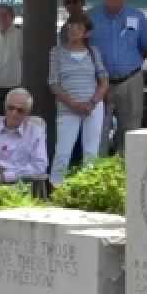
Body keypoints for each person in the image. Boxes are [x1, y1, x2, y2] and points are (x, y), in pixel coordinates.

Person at [88, 0, 147, 155]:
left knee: (130, 130)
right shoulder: (91, 17)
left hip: (130, 80)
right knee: (98, 129)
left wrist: (128, 65)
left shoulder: (137, 17)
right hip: (100, 83)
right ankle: (98, 172)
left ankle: (125, 174)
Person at [49, 16, 110, 185]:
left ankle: (87, 191)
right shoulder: (57, 52)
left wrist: (92, 103)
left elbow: (104, 81)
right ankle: (55, 191)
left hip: (93, 107)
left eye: (78, 26)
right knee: (62, 152)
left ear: (86, 32)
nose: (73, 29)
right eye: (71, 25)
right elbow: (53, 83)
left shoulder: (93, 52)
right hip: (68, 108)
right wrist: (74, 104)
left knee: (91, 152)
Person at [0, 88, 48, 184]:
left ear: (27, 113)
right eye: (11, 108)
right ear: (5, 107)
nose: (14, 113)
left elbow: (40, 165)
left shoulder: (36, 133)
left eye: (20, 110)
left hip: (19, 185)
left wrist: (7, 176)